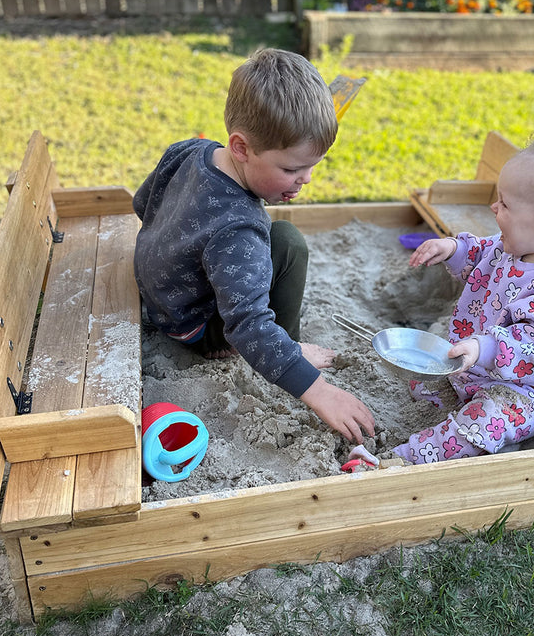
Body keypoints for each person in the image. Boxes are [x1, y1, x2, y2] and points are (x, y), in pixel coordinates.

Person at [133, 48, 374, 443]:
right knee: (288, 242)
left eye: (313, 166)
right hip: (197, 328)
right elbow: (248, 326)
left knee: (265, 247)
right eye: (291, 169)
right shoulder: (238, 229)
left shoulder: (189, 150)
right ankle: (291, 342)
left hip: (161, 299)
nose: (306, 179)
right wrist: (319, 390)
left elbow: (143, 204)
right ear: (242, 148)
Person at [393, 122, 534, 464]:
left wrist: (485, 347)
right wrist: (452, 248)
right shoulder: (517, 246)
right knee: (421, 378)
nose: (494, 209)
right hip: (477, 370)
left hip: (524, 390)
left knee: (483, 421)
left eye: (505, 204)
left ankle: (409, 458)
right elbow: (483, 252)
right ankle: (451, 428)